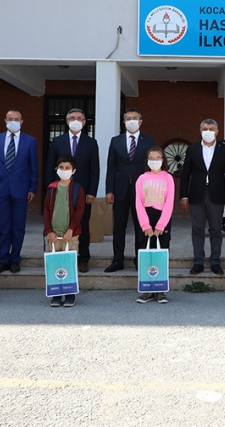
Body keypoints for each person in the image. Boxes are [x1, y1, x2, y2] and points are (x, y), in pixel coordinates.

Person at [44, 108, 100, 273]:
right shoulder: (57, 141)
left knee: (82, 224)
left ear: (84, 122)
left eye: (79, 118)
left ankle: (83, 258)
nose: (75, 121)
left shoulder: (91, 143)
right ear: (67, 121)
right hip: (60, 191)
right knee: (59, 223)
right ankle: (58, 254)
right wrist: (50, 190)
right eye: (72, 118)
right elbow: (50, 167)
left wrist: (92, 192)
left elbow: (94, 169)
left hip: (82, 192)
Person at [180, 119, 225, 276]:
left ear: (217, 131)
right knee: (197, 229)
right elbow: (185, 174)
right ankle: (198, 262)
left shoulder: (224, 149)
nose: (208, 131)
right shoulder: (192, 149)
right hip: (197, 195)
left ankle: (215, 262)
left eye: (211, 129)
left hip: (217, 195)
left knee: (216, 230)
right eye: (205, 128)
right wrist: (183, 195)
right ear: (200, 131)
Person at [0, 109, 38, 274]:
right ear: (5, 120)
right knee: (4, 227)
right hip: (1, 189)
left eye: (16, 119)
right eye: (10, 119)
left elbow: (34, 167)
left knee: (18, 226)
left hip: (21, 190)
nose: (13, 121)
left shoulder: (30, 141)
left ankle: (15, 259)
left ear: (22, 122)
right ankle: (3, 259)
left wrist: (32, 187)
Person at [105, 108, 156, 272]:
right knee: (118, 227)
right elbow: (111, 167)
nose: (131, 121)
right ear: (124, 121)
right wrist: (109, 190)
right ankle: (117, 260)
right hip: (120, 190)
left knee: (141, 226)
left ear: (141, 121)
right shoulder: (116, 141)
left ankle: (139, 259)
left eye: (135, 118)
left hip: (142, 191)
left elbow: (152, 167)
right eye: (128, 118)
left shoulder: (149, 141)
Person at [43, 155, 86, 308]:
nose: (64, 170)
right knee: (55, 264)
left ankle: (69, 294)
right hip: (54, 234)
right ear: (57, 169)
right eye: (61, 167)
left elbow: (80, 211)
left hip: (70, 235)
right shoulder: (52, 188)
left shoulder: (77, 189)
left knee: (69, 263)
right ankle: (56, 294)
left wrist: (71, 230)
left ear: (73, 170)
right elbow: (46, 211)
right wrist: (49, 231)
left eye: (67, 168)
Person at [134, 147, 175, 304]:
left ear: (163, 160)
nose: (154, 160)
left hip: (161, 219)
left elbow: (169, 202)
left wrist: (161, 225)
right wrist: (145, 225)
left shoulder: (168, 178)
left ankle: (160, 290)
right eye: (151, 158)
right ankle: (146, 290)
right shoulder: (141, 179)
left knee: (160, 253)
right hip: (146, 218)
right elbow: (138, 203)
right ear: (147, 160)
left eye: (158, 158)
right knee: (145, 253)